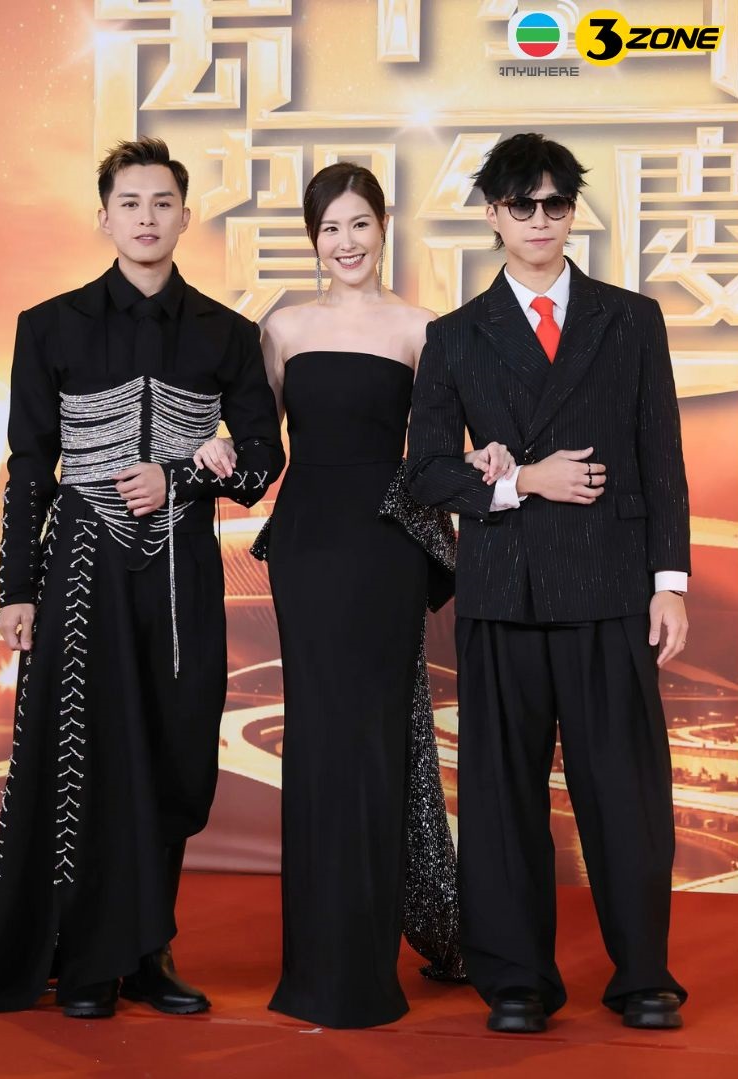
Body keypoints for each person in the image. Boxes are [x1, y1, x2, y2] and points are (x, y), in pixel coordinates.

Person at [0, 137, 284, 1018]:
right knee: (92, 752)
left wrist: (184, 475)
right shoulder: (50, 324)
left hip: (183, 571)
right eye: (130, 203)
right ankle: (90, 958)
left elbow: (262, 461)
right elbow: (30, 463)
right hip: (79, 571)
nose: (147, 218)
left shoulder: (227, 333)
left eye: (162, 203)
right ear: (103, 216)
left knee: (177, 752)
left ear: (185, 216)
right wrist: (15, 589)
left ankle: (148, 948)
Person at [197, 162, 511, 1028]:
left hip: (386, 544)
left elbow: (441, 446)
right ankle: (314, 968)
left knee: (375, 742)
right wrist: (219, 453)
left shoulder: (421, 329)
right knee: (317, 742)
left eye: (359, 224)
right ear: (313, 239)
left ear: (383, 227)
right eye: (329, 227)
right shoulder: (282, 327)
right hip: (306, 543)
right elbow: (260, 447)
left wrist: (485, 458)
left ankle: (367, 970)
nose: (346, 241)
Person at [406, 133, 690, 1034]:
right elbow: (423, 472)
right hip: (505, 592)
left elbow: (661, 456)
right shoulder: (454, 336)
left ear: (572, 213)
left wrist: (669, 581)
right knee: (500, 796)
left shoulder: (629, 319)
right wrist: (520, 480)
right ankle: (516, 979)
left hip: (612, 586)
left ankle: (642, 973)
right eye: (520, 204)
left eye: (554, 203)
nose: (539, 219)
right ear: (492, 215)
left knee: (625, 792)